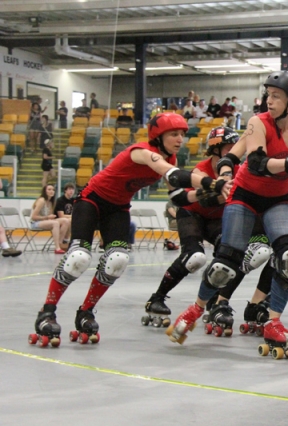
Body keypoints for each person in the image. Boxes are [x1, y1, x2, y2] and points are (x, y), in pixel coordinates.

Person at [167, 71, 288, 359]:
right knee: (227, 264)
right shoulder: (259, 122)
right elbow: (256, 162)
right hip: (245, 195)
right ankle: (195, 308)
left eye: (276, 96)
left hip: (277, 198)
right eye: (268, 95)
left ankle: (273, 322)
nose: (268, 101)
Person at [29, 112, 219, 348]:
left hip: (118, 208)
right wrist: (210, 182)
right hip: (92, 201)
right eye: (174, 134)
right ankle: (46, 312)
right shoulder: (142, 152)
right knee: (78, 257)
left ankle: (86, 312)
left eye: (183, 134)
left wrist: (203, 194)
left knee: (117, 260)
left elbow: (178, 197)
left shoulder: (172, 158)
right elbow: (172, 174)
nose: (181, 139)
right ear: (158, 136)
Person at [145, 127, 261, 328]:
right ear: (216, 149)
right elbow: (206, 201)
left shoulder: (239, 169)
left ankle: (217, 303)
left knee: (230, 258)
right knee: (194, 257)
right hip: (192, 213)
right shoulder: (201, 169)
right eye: (229, 146)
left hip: (216, 219)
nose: (234, 150)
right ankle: (157, 297)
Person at [30, 185, 71, 255]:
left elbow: (49, 217)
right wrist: (47, 217)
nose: (52, 191)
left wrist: (50, 217)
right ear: (45, 191)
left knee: (66, 221)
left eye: (53, 190)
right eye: (49, 189)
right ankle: (57, 248)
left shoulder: (51, 202)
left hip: (45, 221)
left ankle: (60, 243)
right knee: (55, 223)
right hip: (35, 223)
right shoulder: (41, 200)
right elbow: (33, 217)